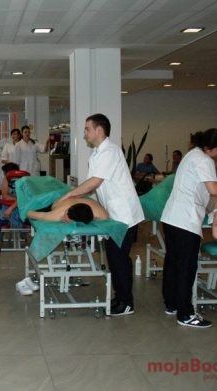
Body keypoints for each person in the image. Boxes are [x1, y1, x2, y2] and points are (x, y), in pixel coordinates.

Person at [58, 113, 144, 316]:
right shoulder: (97, 154)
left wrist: (69, 195)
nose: (85, 133)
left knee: (119, 258)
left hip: (125, 215)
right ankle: (120, 297)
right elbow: (91, 186)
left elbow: (94, 182)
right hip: (114, 214)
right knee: (114, 258)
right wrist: (72, 199)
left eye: (87, 129)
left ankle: (126, 302)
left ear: (99, 130)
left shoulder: (110, 152)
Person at [161, 129, 217, 328]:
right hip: (185, 221)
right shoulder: (204, 160)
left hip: (171, 217)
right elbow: (214, 189)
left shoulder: (192, 154)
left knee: (173, 263)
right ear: (208, 148)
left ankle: (172, 304)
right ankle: (186, 314)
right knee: (186, 268)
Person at [27, 198, 108, 223]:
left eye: (65, 217)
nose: (64, 217)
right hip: (55, 201)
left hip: (72, 199)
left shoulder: (102, 214)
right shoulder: (56, 215)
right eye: (66, 211)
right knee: (25, 219)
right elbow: (29, 213)